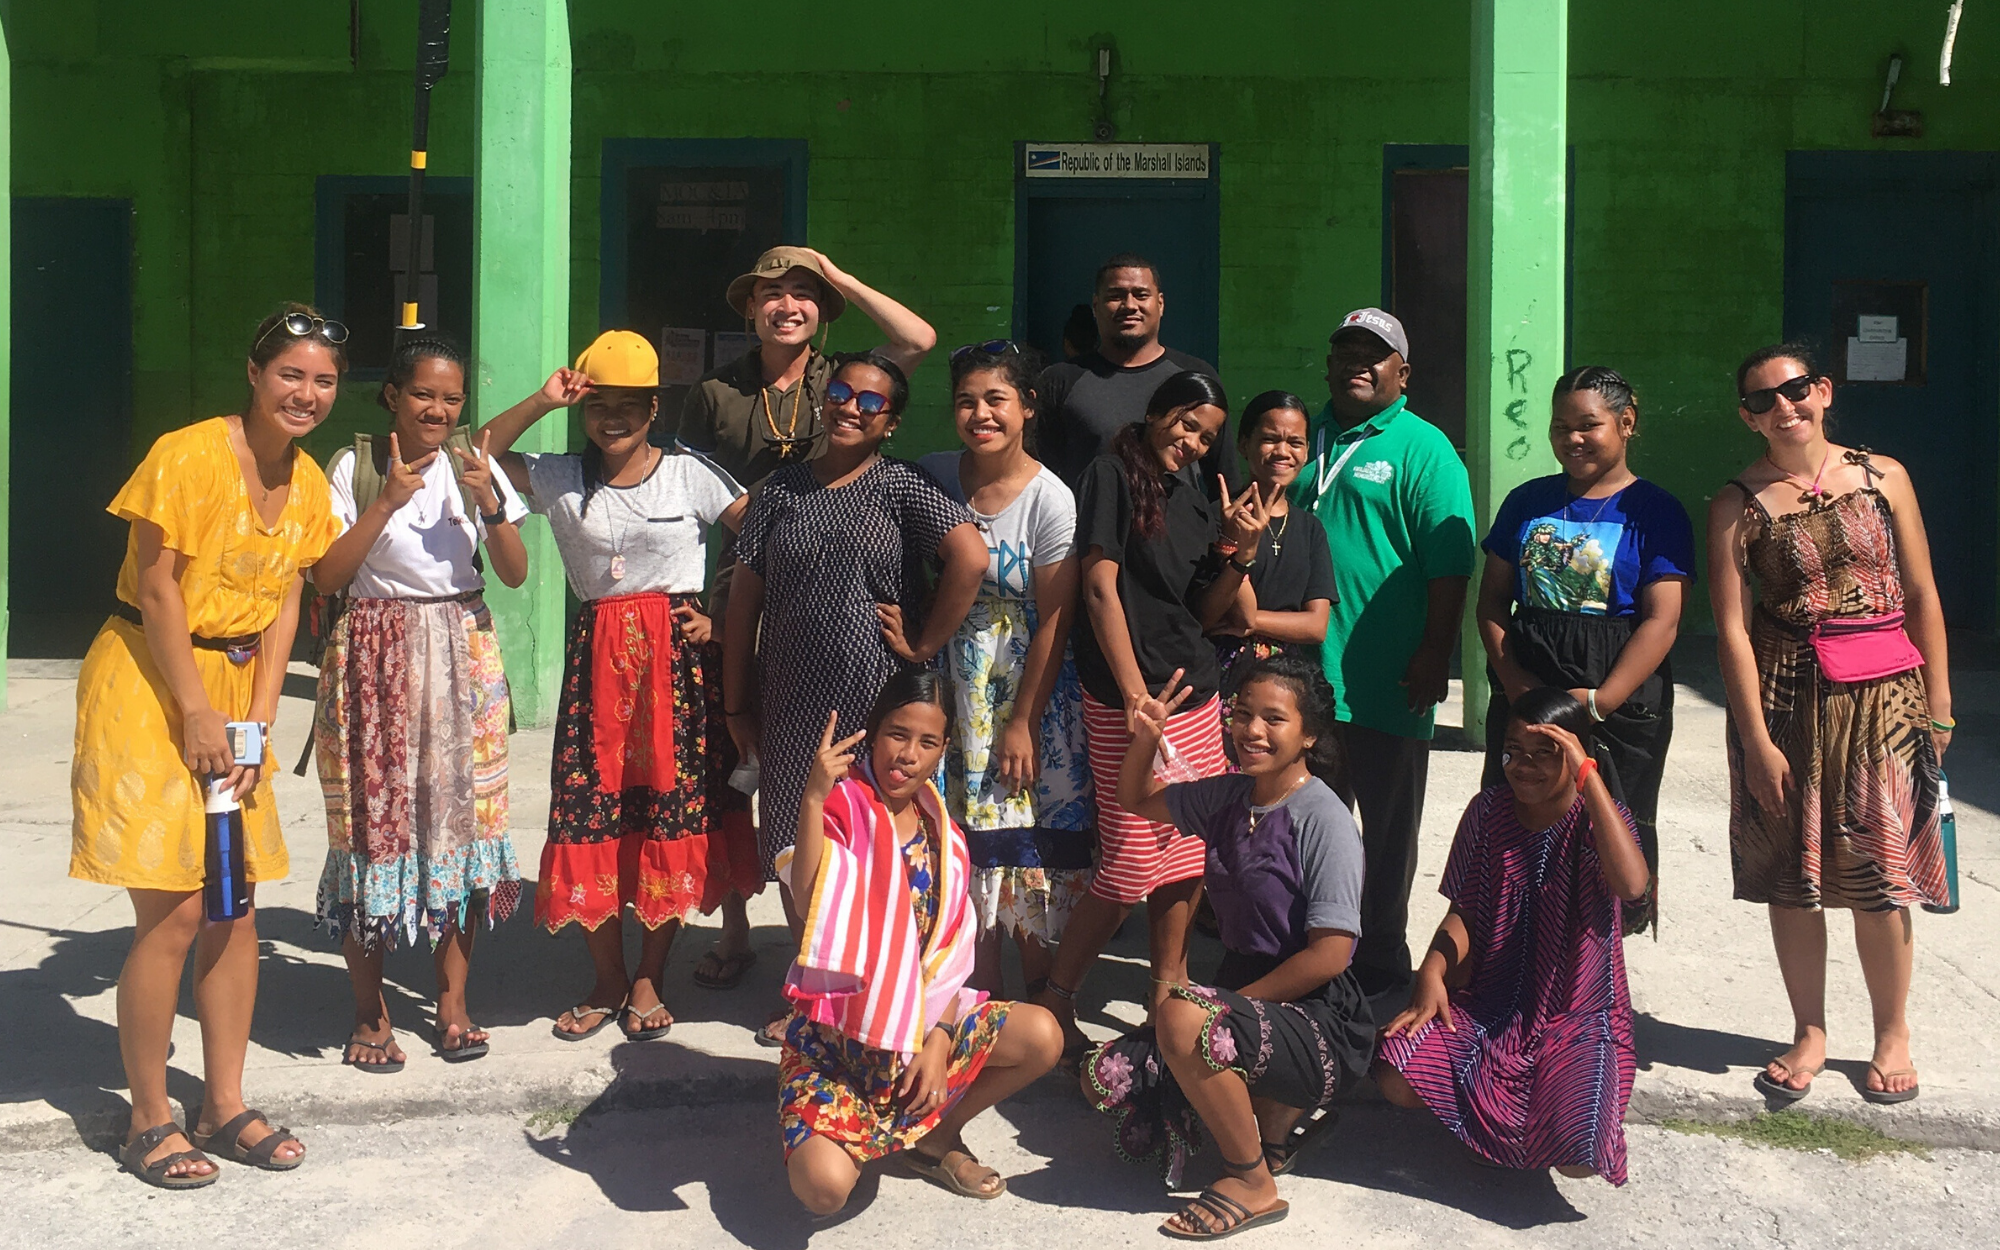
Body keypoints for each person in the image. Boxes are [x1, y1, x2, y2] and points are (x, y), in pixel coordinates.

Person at [71, 303, 344, 1187]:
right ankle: (147, 1115)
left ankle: (223, 1102)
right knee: (178, 907)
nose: (305, 394)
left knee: (235, 902)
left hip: (232, 691)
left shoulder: (307, 484)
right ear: (256, 375)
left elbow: (288, 605)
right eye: (291, 375)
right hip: (150, 683)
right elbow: (157, 592)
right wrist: (195, 712)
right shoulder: (186, 455)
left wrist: (256, 722)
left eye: (324, 380)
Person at [481, 330, 754, 1044]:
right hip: (597, 667)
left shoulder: (691, 473)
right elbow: (472, 458)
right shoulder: (559, 475)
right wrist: (542, 400)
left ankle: (647, 978)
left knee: (669, 812)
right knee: (590, 813)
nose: (613, 419)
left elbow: (761, 538)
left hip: (675, 672)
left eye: (630, 406)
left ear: (653, 407)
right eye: (600, 404)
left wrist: (723, 616)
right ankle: (605, 977)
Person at [677, 246, 935, 990]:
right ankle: (734, 930)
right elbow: (690, 489)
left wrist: (843, 276)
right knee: (730, 762)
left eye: (804, 295)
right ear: (750, 307)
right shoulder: (716, 391)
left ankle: (861, 942)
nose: (787, 306)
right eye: (772, 294)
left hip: (824, 589)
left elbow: (917, 341)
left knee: (832, 769)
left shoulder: (843, 381)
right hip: (740, 584)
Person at [1708, 343, 1951, 1106]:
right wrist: (1753, 741)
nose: (1784, 409)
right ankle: (1809, 1029)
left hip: (1887, 696)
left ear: (1823, 390)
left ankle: (1892, 1032)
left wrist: (1939, 709)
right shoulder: (1734, 505)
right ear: (1746, 416)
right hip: (1787, 697)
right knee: (1794, 874)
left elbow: (1921, 591)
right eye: (1761, 400)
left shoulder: (1886, 478)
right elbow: (1732, 631)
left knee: (1883, 873)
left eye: (1794, 390)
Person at [724, 351, 987, 1041]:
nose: (851, 407)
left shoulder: (902, 487)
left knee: (869, 841)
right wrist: (735, 702)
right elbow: (743, 599)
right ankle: (811, 991)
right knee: (795, 842)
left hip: (872, 699)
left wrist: (925, 644)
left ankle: (881, 986)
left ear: (890, 423)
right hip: (787, 698)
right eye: (842, 392)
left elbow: (971, 557)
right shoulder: (779, 491)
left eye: (871, 402)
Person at [1082, 656, 1372, 1236]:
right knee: (1108, 1075)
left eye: (1274, 719)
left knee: (1185, 1021)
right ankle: (1272, 1131)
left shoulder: (1325, 819)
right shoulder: (1227, 796)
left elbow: (1331, 955)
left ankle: (1252, 1179)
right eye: (1242, 714)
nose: (1253, 731)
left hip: (1318, 1015)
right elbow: (1136, 797)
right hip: (1245, 995)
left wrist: (1220, 1008)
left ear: (1309, 733)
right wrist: (1146, 736)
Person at [309, 335, 531, 1071]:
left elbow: (515, 572)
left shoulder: (476, 464)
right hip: (373, 653)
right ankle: (371, 1017)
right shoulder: (356, 464)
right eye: (423, 395)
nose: (437, 409)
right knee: (375, 832)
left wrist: (488, 501)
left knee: (462, 831)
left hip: (464, 649)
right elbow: (326, 575)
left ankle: (454, 1005)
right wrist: (388, 503)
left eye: (451, 398)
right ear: (393, 397)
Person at [1031, 371, 1264, 1064]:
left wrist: (1239, 551)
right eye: (1186, 424)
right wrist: (1135, 695)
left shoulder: (1189, 501)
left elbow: (1203, 612)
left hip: (1193, 700)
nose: (1192, 442)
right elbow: (1099, 585)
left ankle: (1169, 991)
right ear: (1157, 413)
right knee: (1130, 862)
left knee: (1187, 854)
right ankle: (1055, 1000)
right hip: (1129, 701)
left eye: (1207, 436)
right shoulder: (1110, 473)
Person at [778, 671, 1063, 1214]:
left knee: (1043, 1035)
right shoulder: (844, 810)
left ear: (943, 751)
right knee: (824, 1191)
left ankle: (932, 1137)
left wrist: (938, 1039)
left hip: (920, 1036)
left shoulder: (942, 831)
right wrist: (813, 800)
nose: (907, 755)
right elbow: (807, 896)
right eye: (896, 734)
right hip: (839, 1049)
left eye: (926, 742)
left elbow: (953, 957)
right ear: (872, 732)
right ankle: (864, 1130)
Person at [1375, 688, 1650, 1184]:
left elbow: (1632, 885)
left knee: (1579, 1154)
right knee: (1396, 1074)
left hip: (1578, 1013)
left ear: (1575, 756)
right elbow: (1465, 909)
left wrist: (1589, 780)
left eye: (1544, 754)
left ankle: (1532, 1121)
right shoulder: (1488, 811)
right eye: (1513, 751)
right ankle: (1497, 1131)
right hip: (1492, 1005)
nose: (1524, 766)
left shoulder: (1596, 820)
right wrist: (1432, 972)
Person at [1293, 307, 1477, 997]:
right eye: (1345, 352)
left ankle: (1378, 958)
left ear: (1404, 372)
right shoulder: (1303, 437)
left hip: (1385, 679)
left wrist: (1436, 652)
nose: (1356, 365)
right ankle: (1316, 948)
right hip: (1303, 682)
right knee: (1311, 824)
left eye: (1374, 355)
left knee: (1387, 828)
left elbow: (1450, 564)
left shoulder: (1423, 448)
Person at [1473, 367, 1693, 933]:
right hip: (1531, 695)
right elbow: (1493, 604)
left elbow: (1661, 621)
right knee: (1517, 832)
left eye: (1588, 425)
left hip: (1615, 698)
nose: (1572, 438)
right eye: (1560, 426)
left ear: (1626, 423)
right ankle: (1509, 968)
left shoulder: (1656, 512)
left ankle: (1590, 992)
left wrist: (1600, 700)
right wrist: (1515, 682)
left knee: (1607, 840)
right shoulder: (1527, 502)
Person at [917, 342, 1094, 998]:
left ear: (1026, 407)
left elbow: (1054, 616)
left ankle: (1045, 1006)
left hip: (1025, 689)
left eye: (996, 399)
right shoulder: (931, 476)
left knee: (1026, 849)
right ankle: (977, 999)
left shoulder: (1050, 498)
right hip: (949, 690)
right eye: (967, 400)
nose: (980, 413)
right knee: (962, 844)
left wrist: (1022, 719)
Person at [1036, 253, 1233, 488]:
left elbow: (1223, 479)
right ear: (1096, 306)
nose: (1129, 305)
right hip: (1089, 523)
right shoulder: (1061, 380)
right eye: (1115, 296)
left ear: (1160, 304)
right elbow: (1038, 476)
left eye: (1141, 295)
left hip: (1179, 524)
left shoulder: (1196, 376)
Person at [1208, 390, 1337, 697]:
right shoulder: (1214, 518)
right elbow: (1226, 613)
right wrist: (1232, 543)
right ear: (1244, 444)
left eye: (1295, 442)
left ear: (1306, 453)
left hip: (1286, 686)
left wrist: (1253, 625)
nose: (1283, 452)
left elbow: (1316, 626)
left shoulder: (1310, 529)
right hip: (1219, 680)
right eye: (1269, 439)